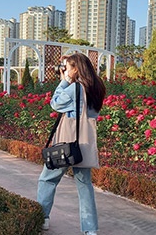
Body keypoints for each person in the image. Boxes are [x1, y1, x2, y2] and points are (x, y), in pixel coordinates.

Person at [37, 53, 106, 235]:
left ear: (76, 68)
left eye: (67, 67)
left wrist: (64, 81)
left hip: (67, 145)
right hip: (84, 143)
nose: (65, 70)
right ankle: (90, 229)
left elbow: (55, 103)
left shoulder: (76, 88)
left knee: (47, 179)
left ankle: (42, 218)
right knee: (85, 186)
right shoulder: (95, 87)